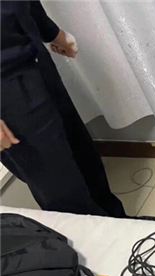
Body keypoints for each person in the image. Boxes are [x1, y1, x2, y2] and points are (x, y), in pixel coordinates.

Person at [1, 1, 126, 218]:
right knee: (58, 184)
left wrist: (52, 33)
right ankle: (92, 237)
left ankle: (118, 222)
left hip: (34, 61)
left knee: (83, 155)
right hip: (6, 90)